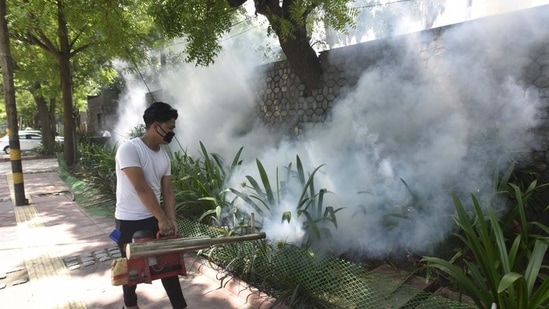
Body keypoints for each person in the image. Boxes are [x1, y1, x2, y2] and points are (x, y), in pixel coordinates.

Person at [114, 102, 187, 309]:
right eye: (170, 128)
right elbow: (141, 188)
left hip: (155, 219)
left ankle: (180, 306)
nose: (173, 132)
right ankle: (130, 305)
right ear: (156, 126)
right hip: (128, 221)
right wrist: (162, 218)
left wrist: (170, 219)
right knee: (133, 269)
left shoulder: (163, 156)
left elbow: (168, 190)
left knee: (168, 265)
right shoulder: (129, 149)